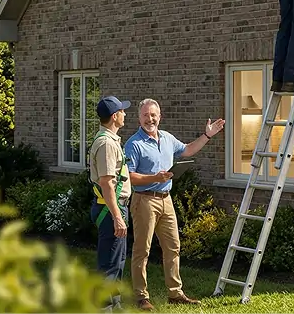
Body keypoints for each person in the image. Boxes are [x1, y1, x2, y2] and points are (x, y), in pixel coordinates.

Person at [123, 98, 225, 310]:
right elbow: (130, 177)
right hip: (144, 201)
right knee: (142, 250)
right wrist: (155, 178)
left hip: (166, 199)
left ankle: (175, 293)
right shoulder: (133, 144)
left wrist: (207, 135)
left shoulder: (167, 138)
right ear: (139, 117)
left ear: (159, 117)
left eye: (153, 115)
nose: (149, 119)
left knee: (173, 247)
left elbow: (187, 150)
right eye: (145, 115)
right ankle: (141, 296)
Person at [88, 96, 134, 313]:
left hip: (115, 207)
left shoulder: (111, 140)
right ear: (115, 116)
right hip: (110, 209)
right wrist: (117, 217)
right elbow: (107, 183)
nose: (125, 114)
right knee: (108, 264)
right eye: (122, 111)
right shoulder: (106, 143)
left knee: (118, 261)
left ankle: (115, 305)